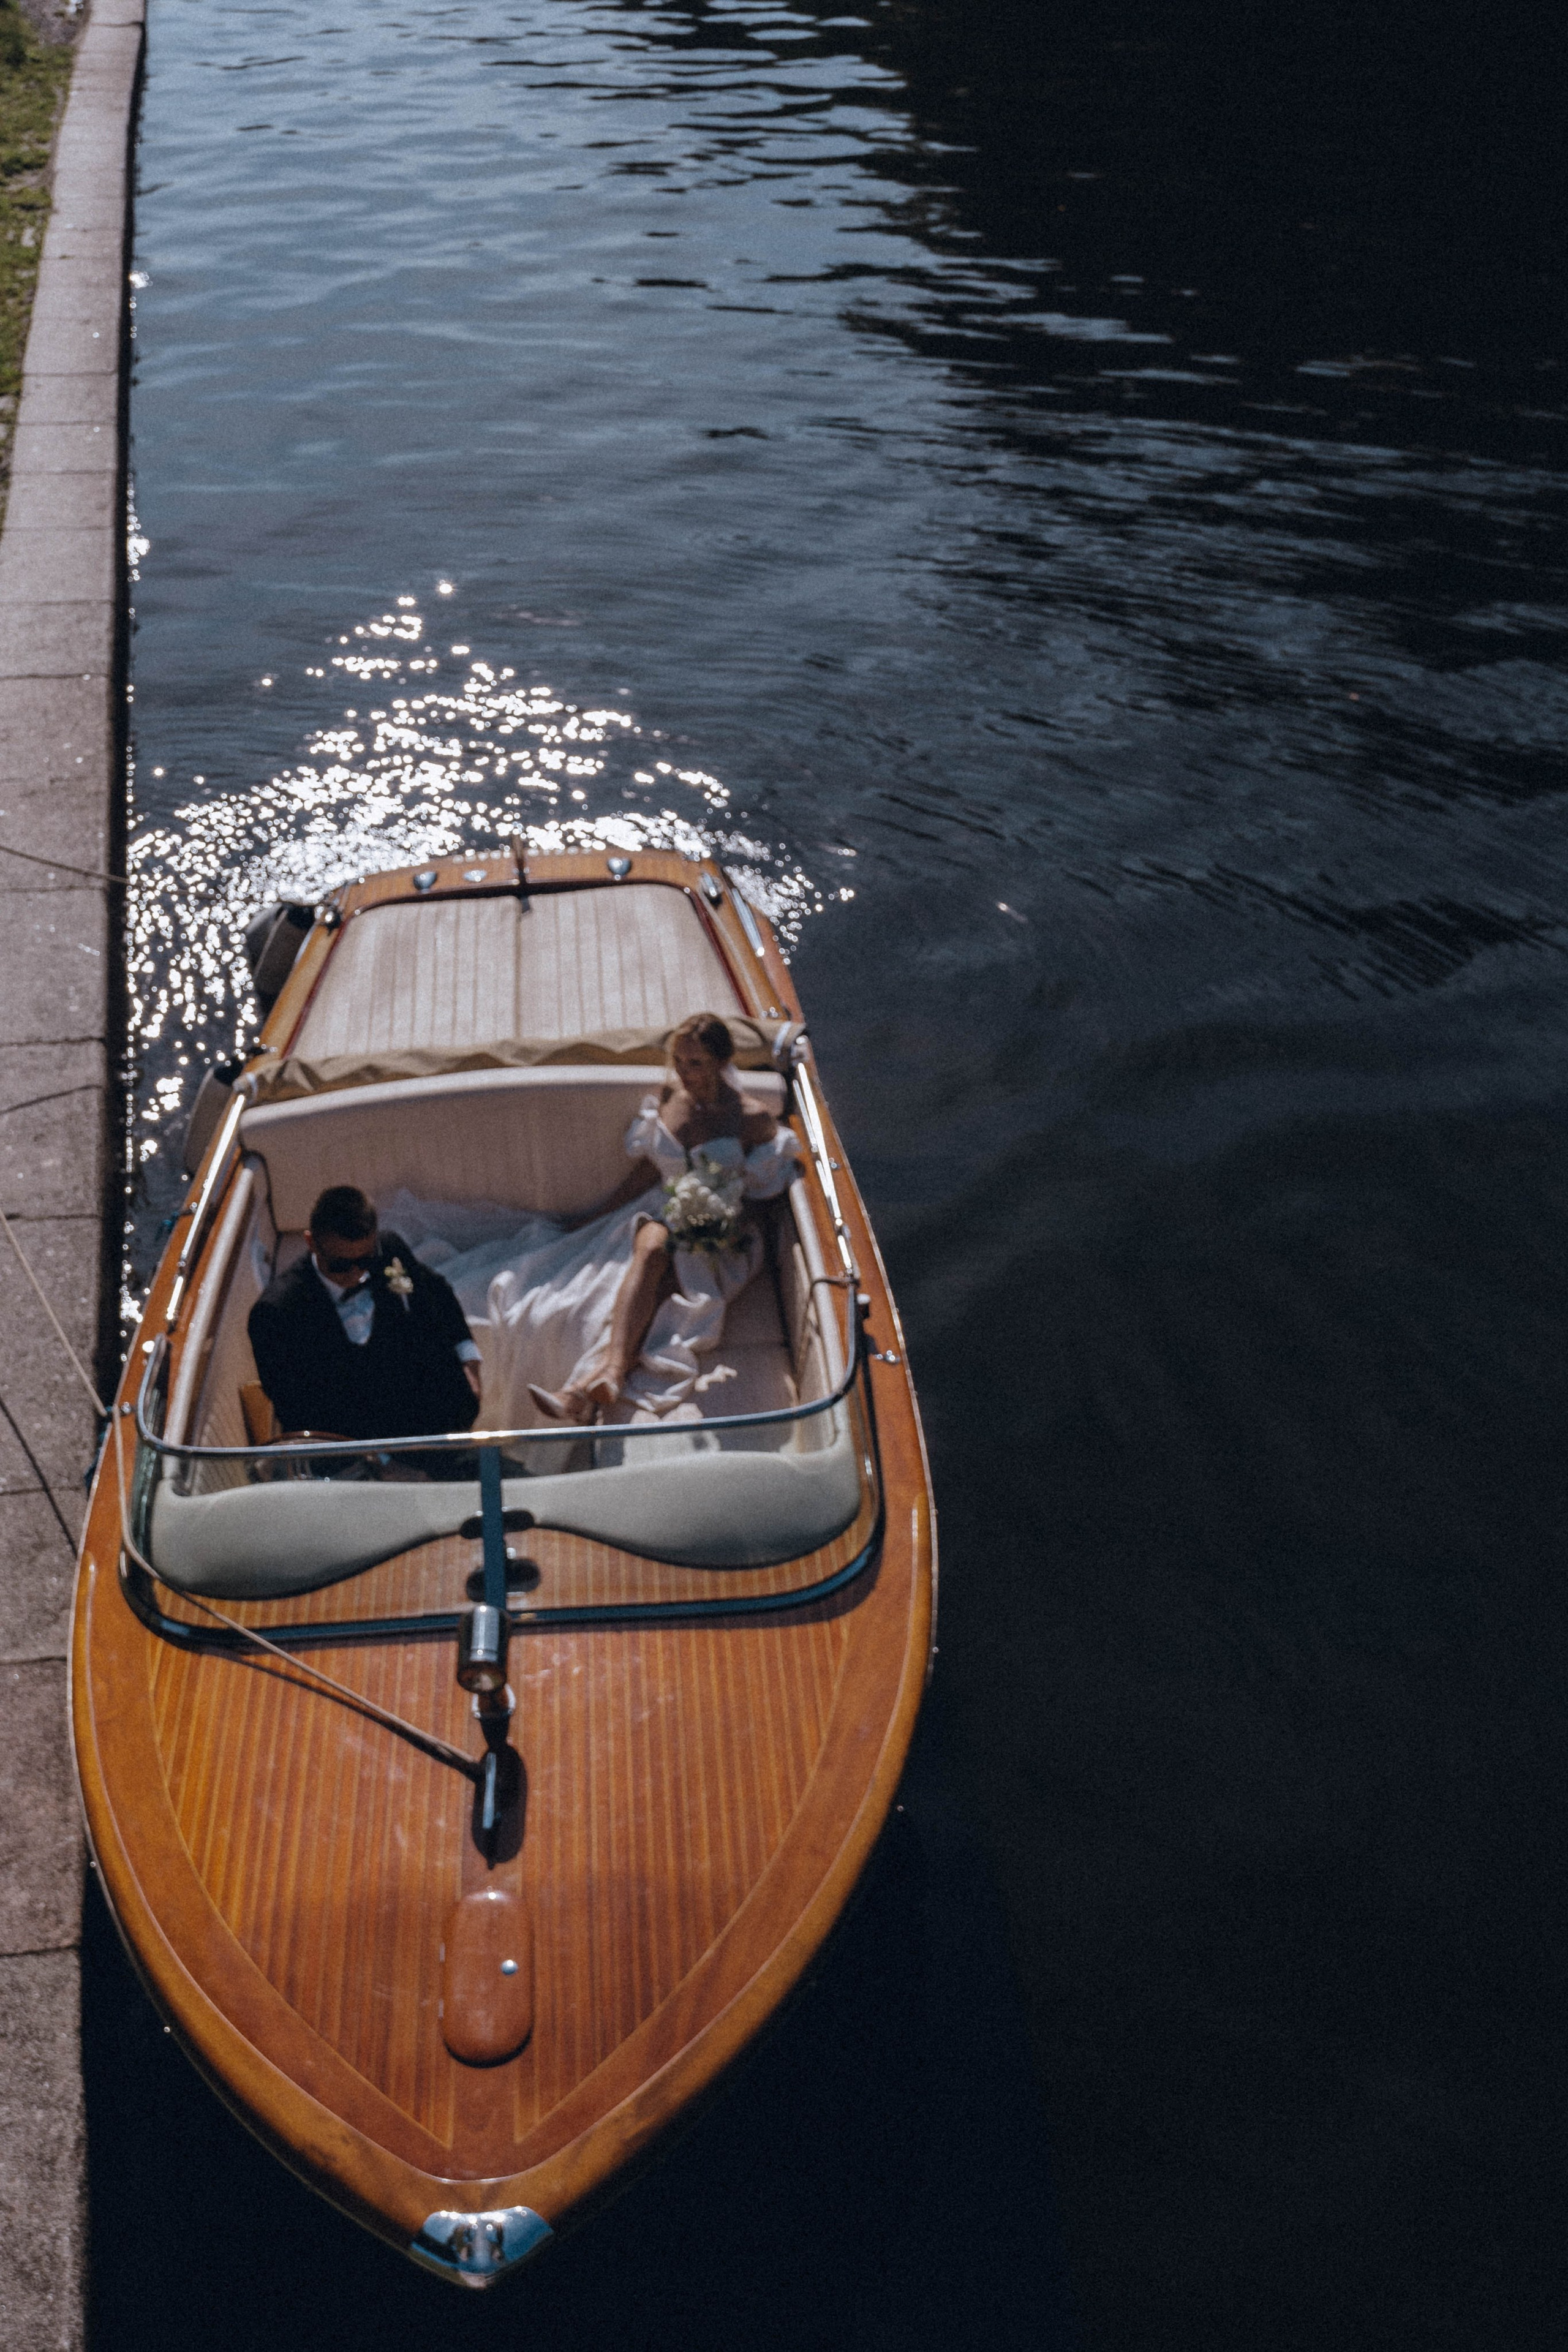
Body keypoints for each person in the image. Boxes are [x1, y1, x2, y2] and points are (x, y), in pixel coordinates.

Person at [519, 1012, 802, 1423]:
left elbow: (764, 1192)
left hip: (724, 1234)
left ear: (722, 1063)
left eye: (697, 1063)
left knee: (665, 1292)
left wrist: (724, 1224)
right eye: (680, 1062)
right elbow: (651, 1170)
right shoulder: (672, 1098)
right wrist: (597, 1213)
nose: (686, 1074)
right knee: (652, 1248)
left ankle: (582, 1391)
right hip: (667, 1209)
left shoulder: (752, 1118)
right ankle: (603, 1378)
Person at [248, 1183, 482, 1452]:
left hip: (432, 1434)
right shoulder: (276, 1316)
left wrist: (469, 1360)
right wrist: (383, 1466)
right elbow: (301, 1415)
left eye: (366, 1261)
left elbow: (438, 1291)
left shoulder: (390, 1250)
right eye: (340, 1265)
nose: (356, 1274)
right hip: (353, 1457)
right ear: (311, 1243)